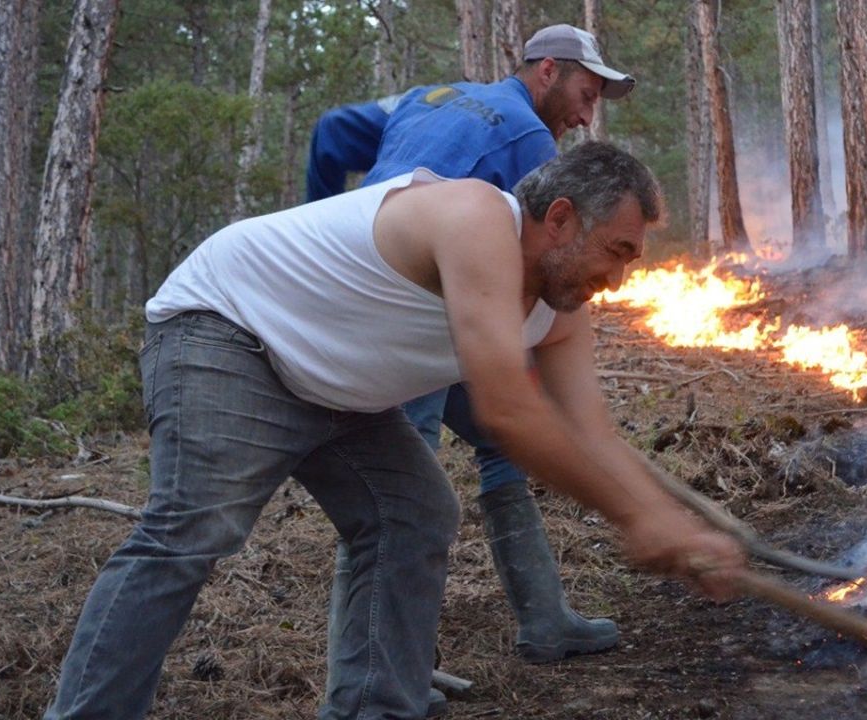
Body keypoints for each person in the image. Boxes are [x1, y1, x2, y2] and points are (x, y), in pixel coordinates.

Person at [44, 142, 745, 720]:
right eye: (617, 251)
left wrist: (667, 523)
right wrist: (638, 521)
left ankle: (375, 710)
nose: (619, 279)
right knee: (192, 528)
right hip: (230, 331)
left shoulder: (562, 311)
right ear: (560, 219)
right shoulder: (474, 217)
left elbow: (593, 435)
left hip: (334, 387)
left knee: (412, 513)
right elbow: (506, 410)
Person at [306, 24, 636, 667]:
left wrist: (321, 224)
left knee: (499, 440)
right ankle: (391, 670)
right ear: (547, 71)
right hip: (409, 313)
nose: (586, 114)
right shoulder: (532, 140)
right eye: (586, 93)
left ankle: (544, 620)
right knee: (397, 493)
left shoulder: (427, 97)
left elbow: (328, 133)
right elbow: (543, 260)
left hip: (394, 290)